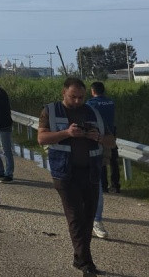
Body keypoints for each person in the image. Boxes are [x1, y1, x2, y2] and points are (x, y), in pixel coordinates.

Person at [38, 77, 114, 277]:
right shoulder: (51, 111)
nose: (78, 101)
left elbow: (112, 141)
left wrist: (97, 137)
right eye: (73, 97)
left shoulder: (93, 112)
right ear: (64, 93)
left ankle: (79, 258)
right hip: (64, 172)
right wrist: (67, 133)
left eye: (81, 97)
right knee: (75, 217)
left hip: (90, 172)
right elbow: (41, 138)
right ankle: (86, 263)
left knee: (88, 217)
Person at [86, 81, 117, 240]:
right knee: (112, 163)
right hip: (109, 134)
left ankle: (104, 187)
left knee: (98, 176)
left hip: (99, 138)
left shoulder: (90, 104)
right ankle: (115, 185)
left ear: (92, 91)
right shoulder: (111, 101)